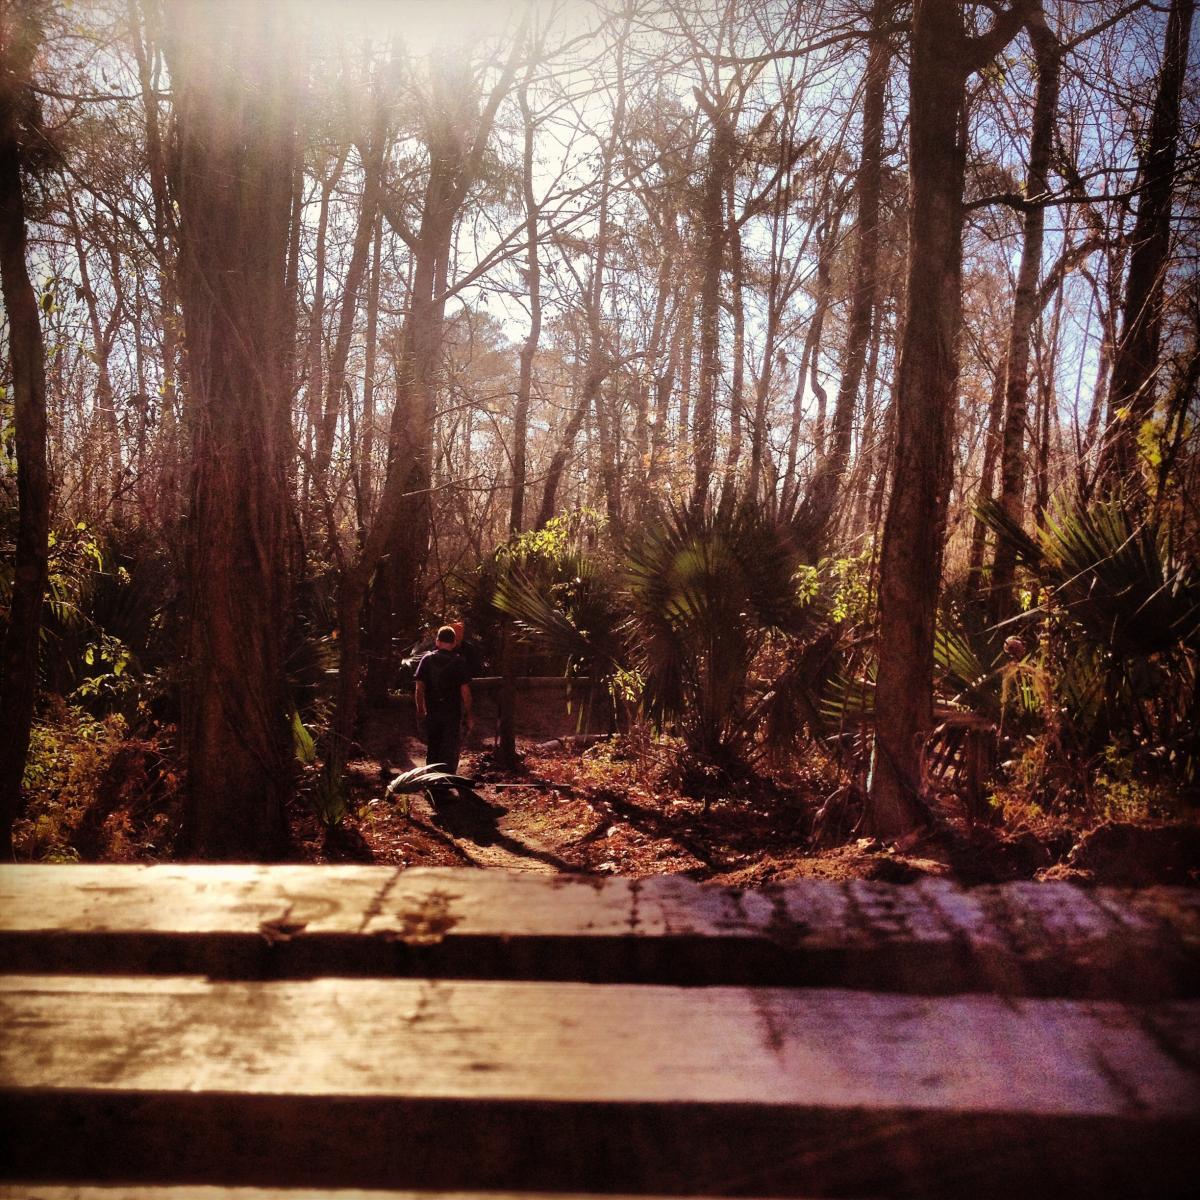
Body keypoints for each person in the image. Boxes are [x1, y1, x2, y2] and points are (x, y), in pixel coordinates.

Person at [414, 624, 473, 774]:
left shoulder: (426, 660)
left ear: (437, 641)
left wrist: (421, 709)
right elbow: (465, 691)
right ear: (454, 643)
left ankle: (432, 782)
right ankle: (447, 780)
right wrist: (469, 714)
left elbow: (419, 688)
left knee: (433, 746)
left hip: (432, 711)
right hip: (452, 713)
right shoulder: (459, 662)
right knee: (450, 748)